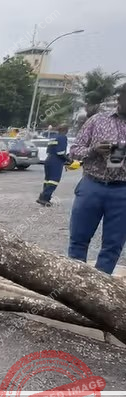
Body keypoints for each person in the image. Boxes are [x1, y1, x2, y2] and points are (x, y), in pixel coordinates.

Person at [67, 85, 126, 274]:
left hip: (123, 191)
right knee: (78, 239)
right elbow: (74, 151)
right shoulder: (97, 120)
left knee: (113, 245)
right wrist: (93, 150)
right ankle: (75, 284)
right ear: (119, 99)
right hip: (92, 185)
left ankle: (98, 289)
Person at [37, 125, 71, 206]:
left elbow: (49, 150)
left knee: (47, 180)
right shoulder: (63, 138)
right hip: (56, 161)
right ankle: (43, 197)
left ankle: (46, 198)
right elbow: (60, 152)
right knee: (54, 180)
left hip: (48, 159)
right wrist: (69, 160)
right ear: (65, 130)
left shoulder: (53, 137)